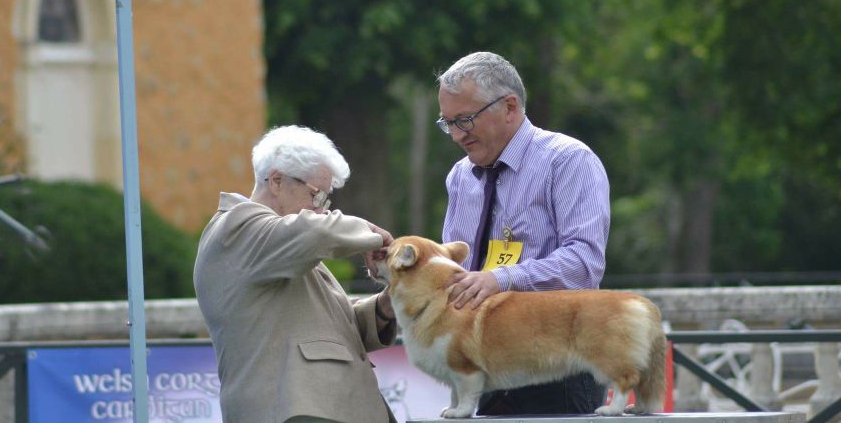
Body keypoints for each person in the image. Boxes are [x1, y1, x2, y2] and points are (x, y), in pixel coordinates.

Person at [436, 51, 611, 415]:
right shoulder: (460, 177)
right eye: (448, 122)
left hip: (559, 359)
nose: (456, 135)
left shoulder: (568, 159)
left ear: (510, 107)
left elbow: (584, 264)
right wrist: (396, 265)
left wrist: (501, 279)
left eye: (465, 120)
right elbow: (453, 270)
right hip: (483, 363)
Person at [193, 125, 398, 423]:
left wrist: (386, 307)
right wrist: (373, 234)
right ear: (276, 181)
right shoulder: (237, 228)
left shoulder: (279, 245)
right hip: (295, 411)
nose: (320, 210)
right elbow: (316, 232)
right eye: (316, 196)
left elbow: (330, 328)